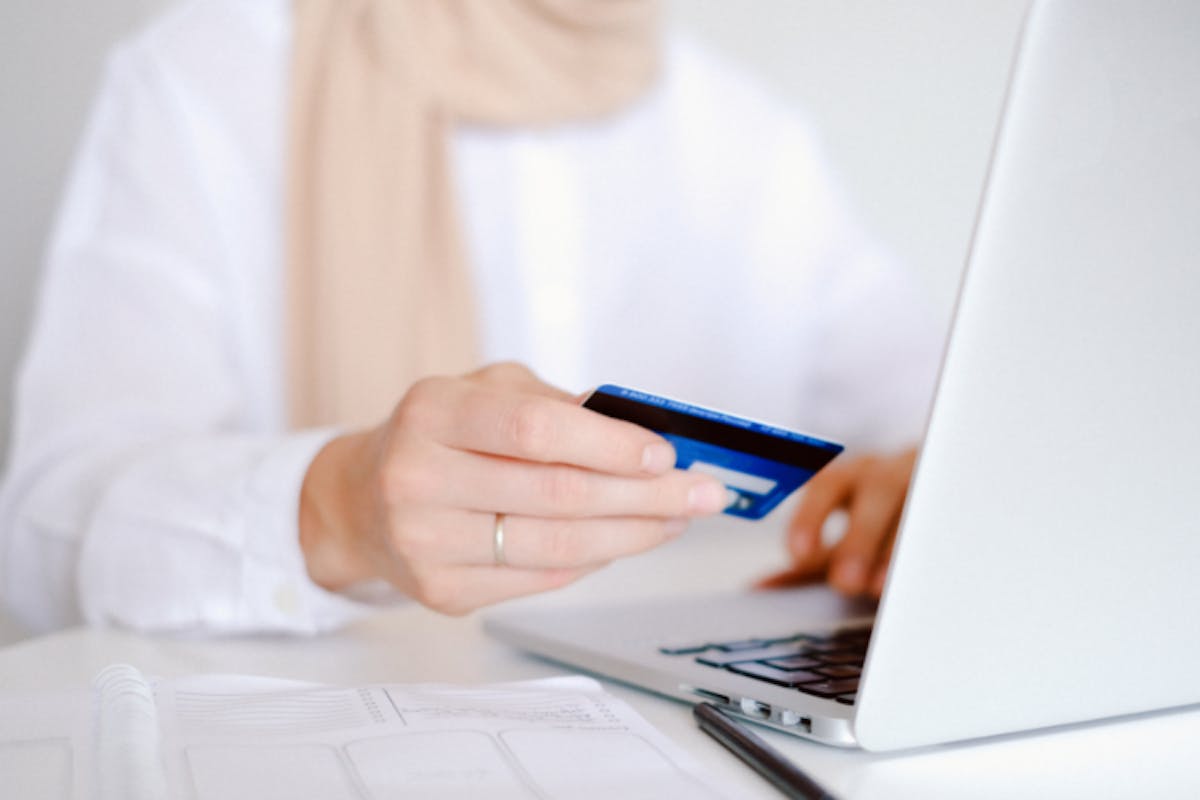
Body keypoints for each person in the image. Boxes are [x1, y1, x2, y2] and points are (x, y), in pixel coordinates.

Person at [0, 0, 940, 635]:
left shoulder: (750, 135)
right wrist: (332, 507)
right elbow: (42, 540)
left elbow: (936, 399)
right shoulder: (206, 75)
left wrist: (929, 480)